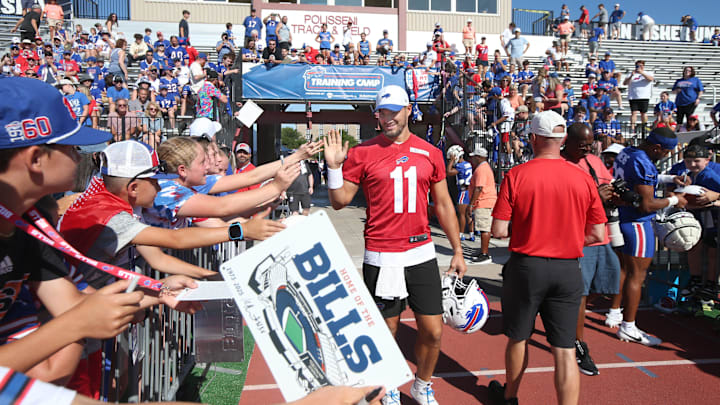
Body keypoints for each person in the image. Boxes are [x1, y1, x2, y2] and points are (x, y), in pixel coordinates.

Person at [324, 85, 466, 405]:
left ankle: (422, 384)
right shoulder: (362, 152)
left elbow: (443, 204)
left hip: (421, 251)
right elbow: (339, 201)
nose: (386, 118)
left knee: (432, 330)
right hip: (381, 251)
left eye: (392, 111)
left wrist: (457, 250)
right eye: (381, 112)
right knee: (386, 332)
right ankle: (388, 384)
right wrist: (334, 167)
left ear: (407, 110)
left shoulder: (431, 153)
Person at [489, 111, 607, 405]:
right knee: (565, 347)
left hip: (527, 265)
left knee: (518, 337)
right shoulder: (582, 178)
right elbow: (596, 234)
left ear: (533, 138)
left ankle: (510, 397)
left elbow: (499, 231)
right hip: (568, 267)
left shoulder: (516, 175)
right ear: (563, 138)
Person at [606, 127, 687, 345]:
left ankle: (614, 311)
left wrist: (670, 178)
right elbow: (646, 205)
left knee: (623, 269)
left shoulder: (628, 152)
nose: (666, 155)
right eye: (665, 152)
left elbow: (638, 179)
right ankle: (629, 326)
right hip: (636, 223)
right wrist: (674, 201)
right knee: (638, 275)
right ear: (656, 148)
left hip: (620, 218)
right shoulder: (643, 161)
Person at [561, 124, 622, 376]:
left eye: (590, 143)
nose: (586, 148)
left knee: (607, 284)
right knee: (581, 291)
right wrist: (596, 196)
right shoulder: (560, 165)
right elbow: (562, 204)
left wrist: (615, 194)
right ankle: (578, 343)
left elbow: (608, 191)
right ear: (568, 141)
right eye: (581, 144)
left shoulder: (595, 162)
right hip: (578, 237)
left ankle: (569, 321)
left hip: (602, 233)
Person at [467, 148, 496, 264]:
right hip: (484, 201)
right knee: (483, 228)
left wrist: (471, 204)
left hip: (483, 201)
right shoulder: (484, 168)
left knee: (484, 229)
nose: (473, 159)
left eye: (474, 156)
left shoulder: (481, 169)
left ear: (479, 157)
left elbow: (479, 187)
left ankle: (485, 254)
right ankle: (483, 251)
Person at [446, 148, 474, 242]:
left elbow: (449, 172)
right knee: (468, 215)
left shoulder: (460, 166)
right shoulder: (468, 164)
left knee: (462, 214)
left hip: (463, 191)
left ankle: (461, 234)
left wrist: (452, 161)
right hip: (469, 190)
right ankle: (471, 234)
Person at [623, 60, 654, 133]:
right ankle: (632, 127)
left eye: (640, 65)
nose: (638, 67)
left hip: (644, 96)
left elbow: (650, 79)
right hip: (633, 96)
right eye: (637, 66)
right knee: (634, 112)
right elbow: (625, 83)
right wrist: (631, 76)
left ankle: (644, 126)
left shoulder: (647, 73)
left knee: (643, 112)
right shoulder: (631, 74)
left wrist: (642, 73)